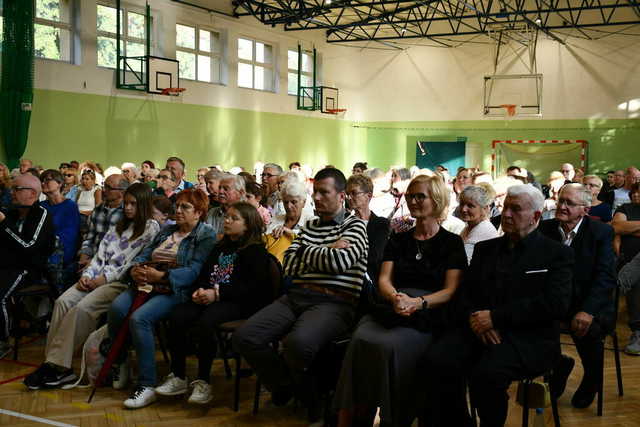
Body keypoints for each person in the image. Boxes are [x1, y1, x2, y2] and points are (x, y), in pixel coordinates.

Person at [424, 184, 573, 427]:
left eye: (516, 209)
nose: (506, 215)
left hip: (529, 337)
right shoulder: (487, 249)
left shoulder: (555, 254)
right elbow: (467, 293)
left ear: (536, 216)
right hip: (480, 329)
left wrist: (496, 318)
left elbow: (555, 304)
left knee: (486, 376)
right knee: (438, 360)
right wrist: (478, 319)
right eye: (505, 208)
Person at [334, 175, 466, 427]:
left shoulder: (451, 243)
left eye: (420, 196)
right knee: (360, 339)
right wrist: (395, 297)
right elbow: (383, 279)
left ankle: (394, 417)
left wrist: (418, 302)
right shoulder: (399, 239)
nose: (413, 201)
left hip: (429, 311)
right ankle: (351, 416)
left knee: (389, 346)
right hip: (392, 305)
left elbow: (450, 291)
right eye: (410, 196)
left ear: (436, 199)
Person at [233, 168, 368, 410]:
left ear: (341, 196)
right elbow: (290, 265)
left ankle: (312, 403)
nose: (316, 198)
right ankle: (287, 387)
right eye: (315, 192)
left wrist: (304, 250)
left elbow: (340, 263)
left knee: (298, 343)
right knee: (245, 336)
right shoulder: (309, 226)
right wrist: (327, 247)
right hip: (297, 296)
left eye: (324, 192)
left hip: (334, 302)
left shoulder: (356, 226)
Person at [24, 183, 159, 390]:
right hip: (96, 276)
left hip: (119, 282)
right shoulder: (118, 225)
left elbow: (131, 264)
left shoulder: (151, 228)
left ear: (143, 205)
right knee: (62, 302)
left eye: (133, 204)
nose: (128, 208)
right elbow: (99, 256)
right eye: (126, 203)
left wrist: (103, 279)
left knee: (81, 309)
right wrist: (87, 275)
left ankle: (57, 366)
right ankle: (55, 366)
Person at [107, 188, 216, 409]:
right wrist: (136, 269)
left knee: (140, 319)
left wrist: (164, 276)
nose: (178, 210)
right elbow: (145, 254)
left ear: (199, 212)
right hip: (147, 282)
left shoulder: (205, 235)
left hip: (175, 289)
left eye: (185, 207)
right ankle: (122, 360)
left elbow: (194, 271)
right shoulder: (167, 230)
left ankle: (147, 385)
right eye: (177, 206)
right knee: (117, 308)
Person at [156, 202, 274, 404]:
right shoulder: (220, 247)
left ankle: (203, 381)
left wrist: (216, 294)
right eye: (226, 217)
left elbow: (251, 289)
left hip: (239, 303)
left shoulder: (255, 251)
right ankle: (178, 376)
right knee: (177, 316)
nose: (226, 221)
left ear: (248, 225)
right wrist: (200, 290)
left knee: (206, 322)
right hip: (211, 296)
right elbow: (204, 274)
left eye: (234, 218)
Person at [538, 183, 616, 409]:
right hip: (555, 300)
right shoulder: (545, 228)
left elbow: (605, 277)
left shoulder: (601, 232)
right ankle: (559, 363)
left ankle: (592, 377)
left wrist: (588, 310)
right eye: (561, 201)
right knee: (529, 320)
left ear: (585, 209)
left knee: (587, 329)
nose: (562, 206)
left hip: (589, 301)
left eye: (569, 203)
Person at [0, 174, 56, 357]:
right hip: (7, 265)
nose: (11, 193)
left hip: (28, 269)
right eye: (11, 189)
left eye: (16, 189)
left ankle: (3, 340)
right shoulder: (12, 212)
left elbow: (28, 247)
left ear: (32, 193)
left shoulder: (42, 215)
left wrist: (4, 224)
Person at [345, 174, 391, 283]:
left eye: (354, 193)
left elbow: (375, 257)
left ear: (369, 196)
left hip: (368, 279)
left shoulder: (381, 224)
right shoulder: (344, 221)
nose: (349, 197)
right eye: (347, 194)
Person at [77, 175, 128, 272]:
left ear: (122, 192)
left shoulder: (126, 213)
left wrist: (94, 263)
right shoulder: (98, 209)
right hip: (91, 258)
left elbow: (120, 249)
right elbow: (89, 238)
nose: (104, 190)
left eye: (109, 188)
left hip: (111, 264)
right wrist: (84, 256)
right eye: (104, 186)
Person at [611, 182, 640, 354]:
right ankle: (638, 331)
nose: (636, 195)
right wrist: (623, 229)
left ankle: (620, 283)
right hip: (626, 260)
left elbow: (624, 228)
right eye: (634, 193)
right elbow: (618, 227)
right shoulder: (625, 208)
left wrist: (630, 229)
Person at [264, 178, 315, 263]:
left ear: (304, 202)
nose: (289, 206)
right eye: (286, 202)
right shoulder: (276, 218)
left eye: (294, 202)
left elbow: (313, 246)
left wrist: (291, 233)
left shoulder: (311, 222)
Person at [40, 169, 81, 271]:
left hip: (60, 252)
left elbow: (69, 238)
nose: (43, 183)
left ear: (60, 184)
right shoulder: (41, 206)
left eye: (47, 180)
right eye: (41, 180)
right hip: (42, 249)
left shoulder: (70, 206)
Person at [459, 185, 499, 264]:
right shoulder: (469, 227)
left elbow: (463, 261)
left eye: (470, 206)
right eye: (462, 204)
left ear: (485, 208)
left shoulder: (485, 229)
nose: (464, 209)